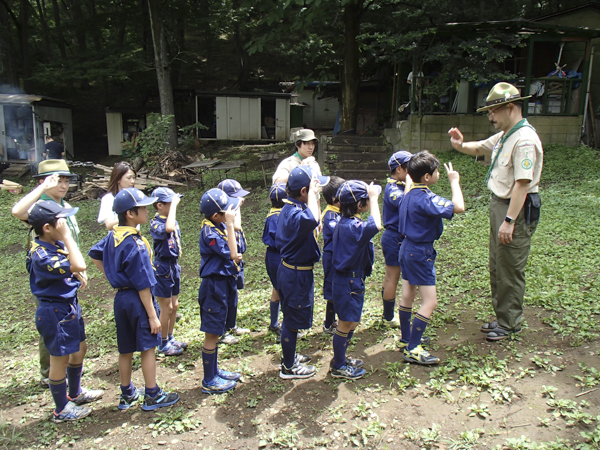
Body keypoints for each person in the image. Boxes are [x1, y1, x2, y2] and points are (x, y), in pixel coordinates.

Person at [448, 82, 543, 341]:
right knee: (497, 265)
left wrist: (510, 221)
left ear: (510, 107)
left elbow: (522, 184)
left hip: (516, 209)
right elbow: (480, 148)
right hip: (500, 205)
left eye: (493, 111)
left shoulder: (523, 140)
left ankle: (510, 322)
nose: (490, 117)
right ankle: (503, 317)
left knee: (510, 267)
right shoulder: (506, 135)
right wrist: (459, 145)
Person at [88, 188, 180, 410]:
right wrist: (152, 316)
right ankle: (152, 394)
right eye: (143, 207)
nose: (147, 211)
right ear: (130, 213)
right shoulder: (135, 244)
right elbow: (143, 284)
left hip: (121, 299)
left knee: (126, 348)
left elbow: (94, 253)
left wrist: (113, 275)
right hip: (138, 300)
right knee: (148, 346)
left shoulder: (113, 235)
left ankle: (127, 393)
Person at [27, 201, 103, 422]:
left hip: (68, 307)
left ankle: (75, 392)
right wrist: (68, 237)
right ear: (47, 228)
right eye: (60, 222)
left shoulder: (53, 244)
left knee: (80, 349)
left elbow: (72, 267)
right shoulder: (41, 254)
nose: (65, 225)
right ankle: (61, 409)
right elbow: (79, 264)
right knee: (59, 359)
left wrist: (74, 275)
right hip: (54, 312)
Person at [12, 159, 81, 386]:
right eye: (57, 180)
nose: (63, 185)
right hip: (49, 277)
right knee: (53, 326)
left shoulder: (64, 205)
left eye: (66, 180)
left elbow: (71, 239)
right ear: (43, 182)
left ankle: (66, 377)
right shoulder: (40, 208)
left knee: (69, 323)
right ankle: (49, 373)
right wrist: (42, 188)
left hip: (65, 271)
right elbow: (17, 211)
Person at [398, 151, 464, 365]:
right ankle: (413, 348)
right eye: (436, 172)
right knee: (430, 301)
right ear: (426, 177)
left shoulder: (408, 193)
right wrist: (454, 182)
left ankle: (406, 338)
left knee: (408, 294)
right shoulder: (427, 198)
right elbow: (459, 207)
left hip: (406, 247)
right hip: (420, 252)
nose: (439, 175)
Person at [276, 165, 328, 380]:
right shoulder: (296, 213)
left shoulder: (292, 207)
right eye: (313, 189)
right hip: (295, 274)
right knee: (291, 319)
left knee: (292, 316)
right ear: (304, 191)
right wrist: (315, 196)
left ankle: (290, 356)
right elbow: (312, 219)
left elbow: (313, 222)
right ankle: (288, 367)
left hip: (294, 271)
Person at [330, 181, 381, 379]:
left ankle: (341, 357)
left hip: (352, 281)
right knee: (345, 323)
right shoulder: (353, 227)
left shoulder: (346, 223)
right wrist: (375, 199)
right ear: (360, 205)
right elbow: (376, 224)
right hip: (348, 283)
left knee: (352, 321)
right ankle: (339, 365)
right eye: (368, 200)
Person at [198, 188, 243, 394]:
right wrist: (231, 224)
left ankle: (215, 371)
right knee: (212, 332)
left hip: (224, 283)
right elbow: (234, 254)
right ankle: (209, 380)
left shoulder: (217, 225)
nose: (230, 214)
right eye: (226, 212)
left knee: (218, 330)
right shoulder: (209, 232)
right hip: (214, 286)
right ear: (217, 215)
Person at [149, 187, 187, 357]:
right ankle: (162, 342)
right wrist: (174, 207)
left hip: (173, 265)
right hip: (162, 267)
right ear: (159, 205)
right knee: (167, 307)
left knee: (175, 305)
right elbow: (168, 228)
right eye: (169, 203)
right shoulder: (156, 223)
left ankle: (170, 337)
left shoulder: (171, 220)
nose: (173, 206)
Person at [380, 151, 412, 328]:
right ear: (399, 169)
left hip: (397, 237)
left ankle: (387, 314)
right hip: (394, 237)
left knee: (390, 277)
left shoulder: (398, 184)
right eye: (410, 167)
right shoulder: (393, 188)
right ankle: (389, 317)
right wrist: (409, 183)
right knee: (392, 278)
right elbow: (405, 203)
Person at [217, 179, 251, 344]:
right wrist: (235, 206)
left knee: (233, 295)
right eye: (236, 197)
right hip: (225, 263)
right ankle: (222, 331)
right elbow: (236, 226)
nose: (241, 200)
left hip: (235, 261)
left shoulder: (232, 212)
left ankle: (231, 325)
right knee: (223, 298)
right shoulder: (224, 216)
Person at [320, 176, 345, 335]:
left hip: (339, 256)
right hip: (332, 258)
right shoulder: (330, 215)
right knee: (332, 290)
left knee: (338, 288)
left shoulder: (338, 211)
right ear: (335, 199)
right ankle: (328, 324)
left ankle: (333, 321)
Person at [262, 183, 287, 342]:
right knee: (284, 291)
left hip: (271, 256)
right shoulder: (279, 217)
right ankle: (284, 329)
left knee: (276, 289)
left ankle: (273, 323)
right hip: (279, 256)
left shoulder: (271, 214)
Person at [97, 162, 136, 230]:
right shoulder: (108, 199)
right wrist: (128, 218)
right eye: (128, 178)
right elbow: (109, 225)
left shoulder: (134, 197)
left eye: (134, 178)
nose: (132, 181)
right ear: (118, 179)